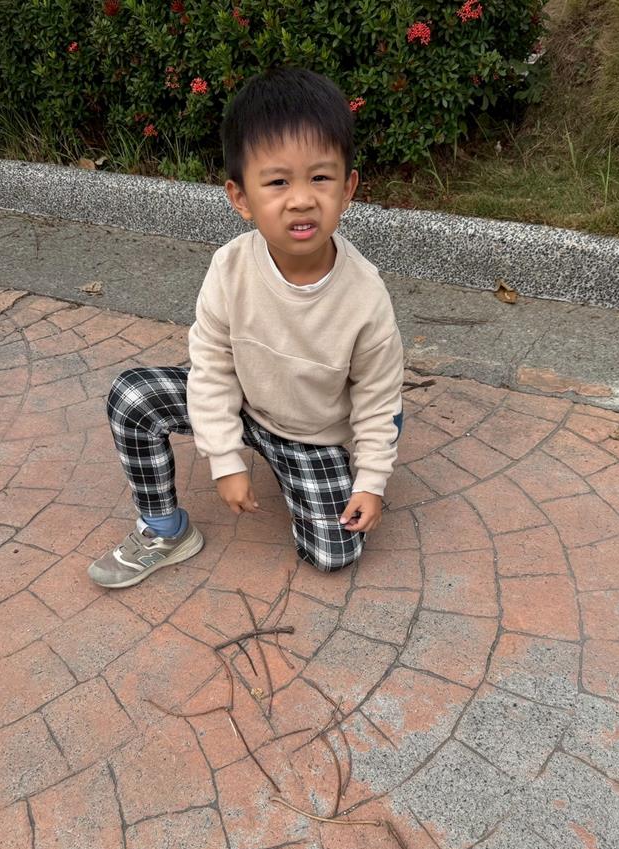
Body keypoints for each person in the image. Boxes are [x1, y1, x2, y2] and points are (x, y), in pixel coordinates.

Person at [88, 67, 404, 588]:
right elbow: (211, 364)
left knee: (334, 553)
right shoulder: (229, 266)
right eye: (278, 182)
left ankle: (345, 458)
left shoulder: (365, 295)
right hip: (244, 403)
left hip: (312, 435)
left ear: (348, 187)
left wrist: (371, 480)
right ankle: (165, 529)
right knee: (133, 396)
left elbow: (377, 395)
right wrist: (224, 458)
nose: (301, 199)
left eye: (320, 178)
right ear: (241, 198)